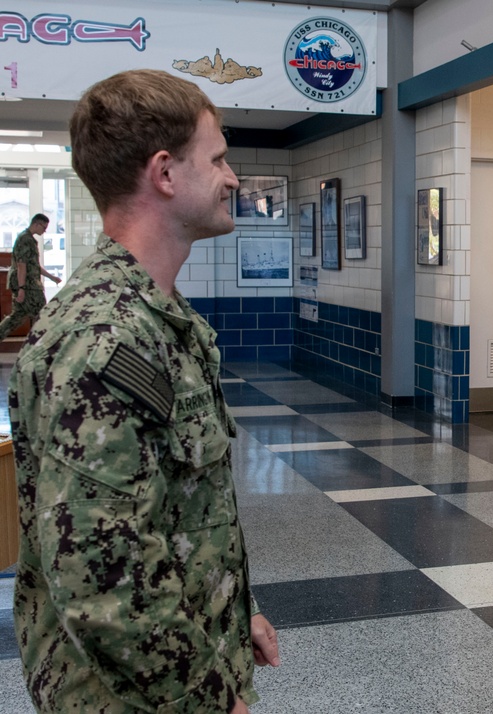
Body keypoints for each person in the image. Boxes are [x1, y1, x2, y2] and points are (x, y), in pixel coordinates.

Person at [10, 69, 279, 713]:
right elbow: (105, 578)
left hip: (179, 664)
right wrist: (211, 701)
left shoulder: (157, 314)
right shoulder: (105, 338)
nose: (233, 177)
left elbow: (174, 509)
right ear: (165, 173)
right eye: (216, 159)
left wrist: (235, 608)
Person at [0, 213, 62, 341]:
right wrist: (22, 288)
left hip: (28, 285)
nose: (44, 231)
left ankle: (36, 344)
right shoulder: (25, 240)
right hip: (29, 286)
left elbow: (34, 266)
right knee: (42, 315)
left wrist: (52, 277)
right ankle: (40, 345)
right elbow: (21, 265)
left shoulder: (28, 239)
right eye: (43, 228)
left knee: (17, 317)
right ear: (36, 224)